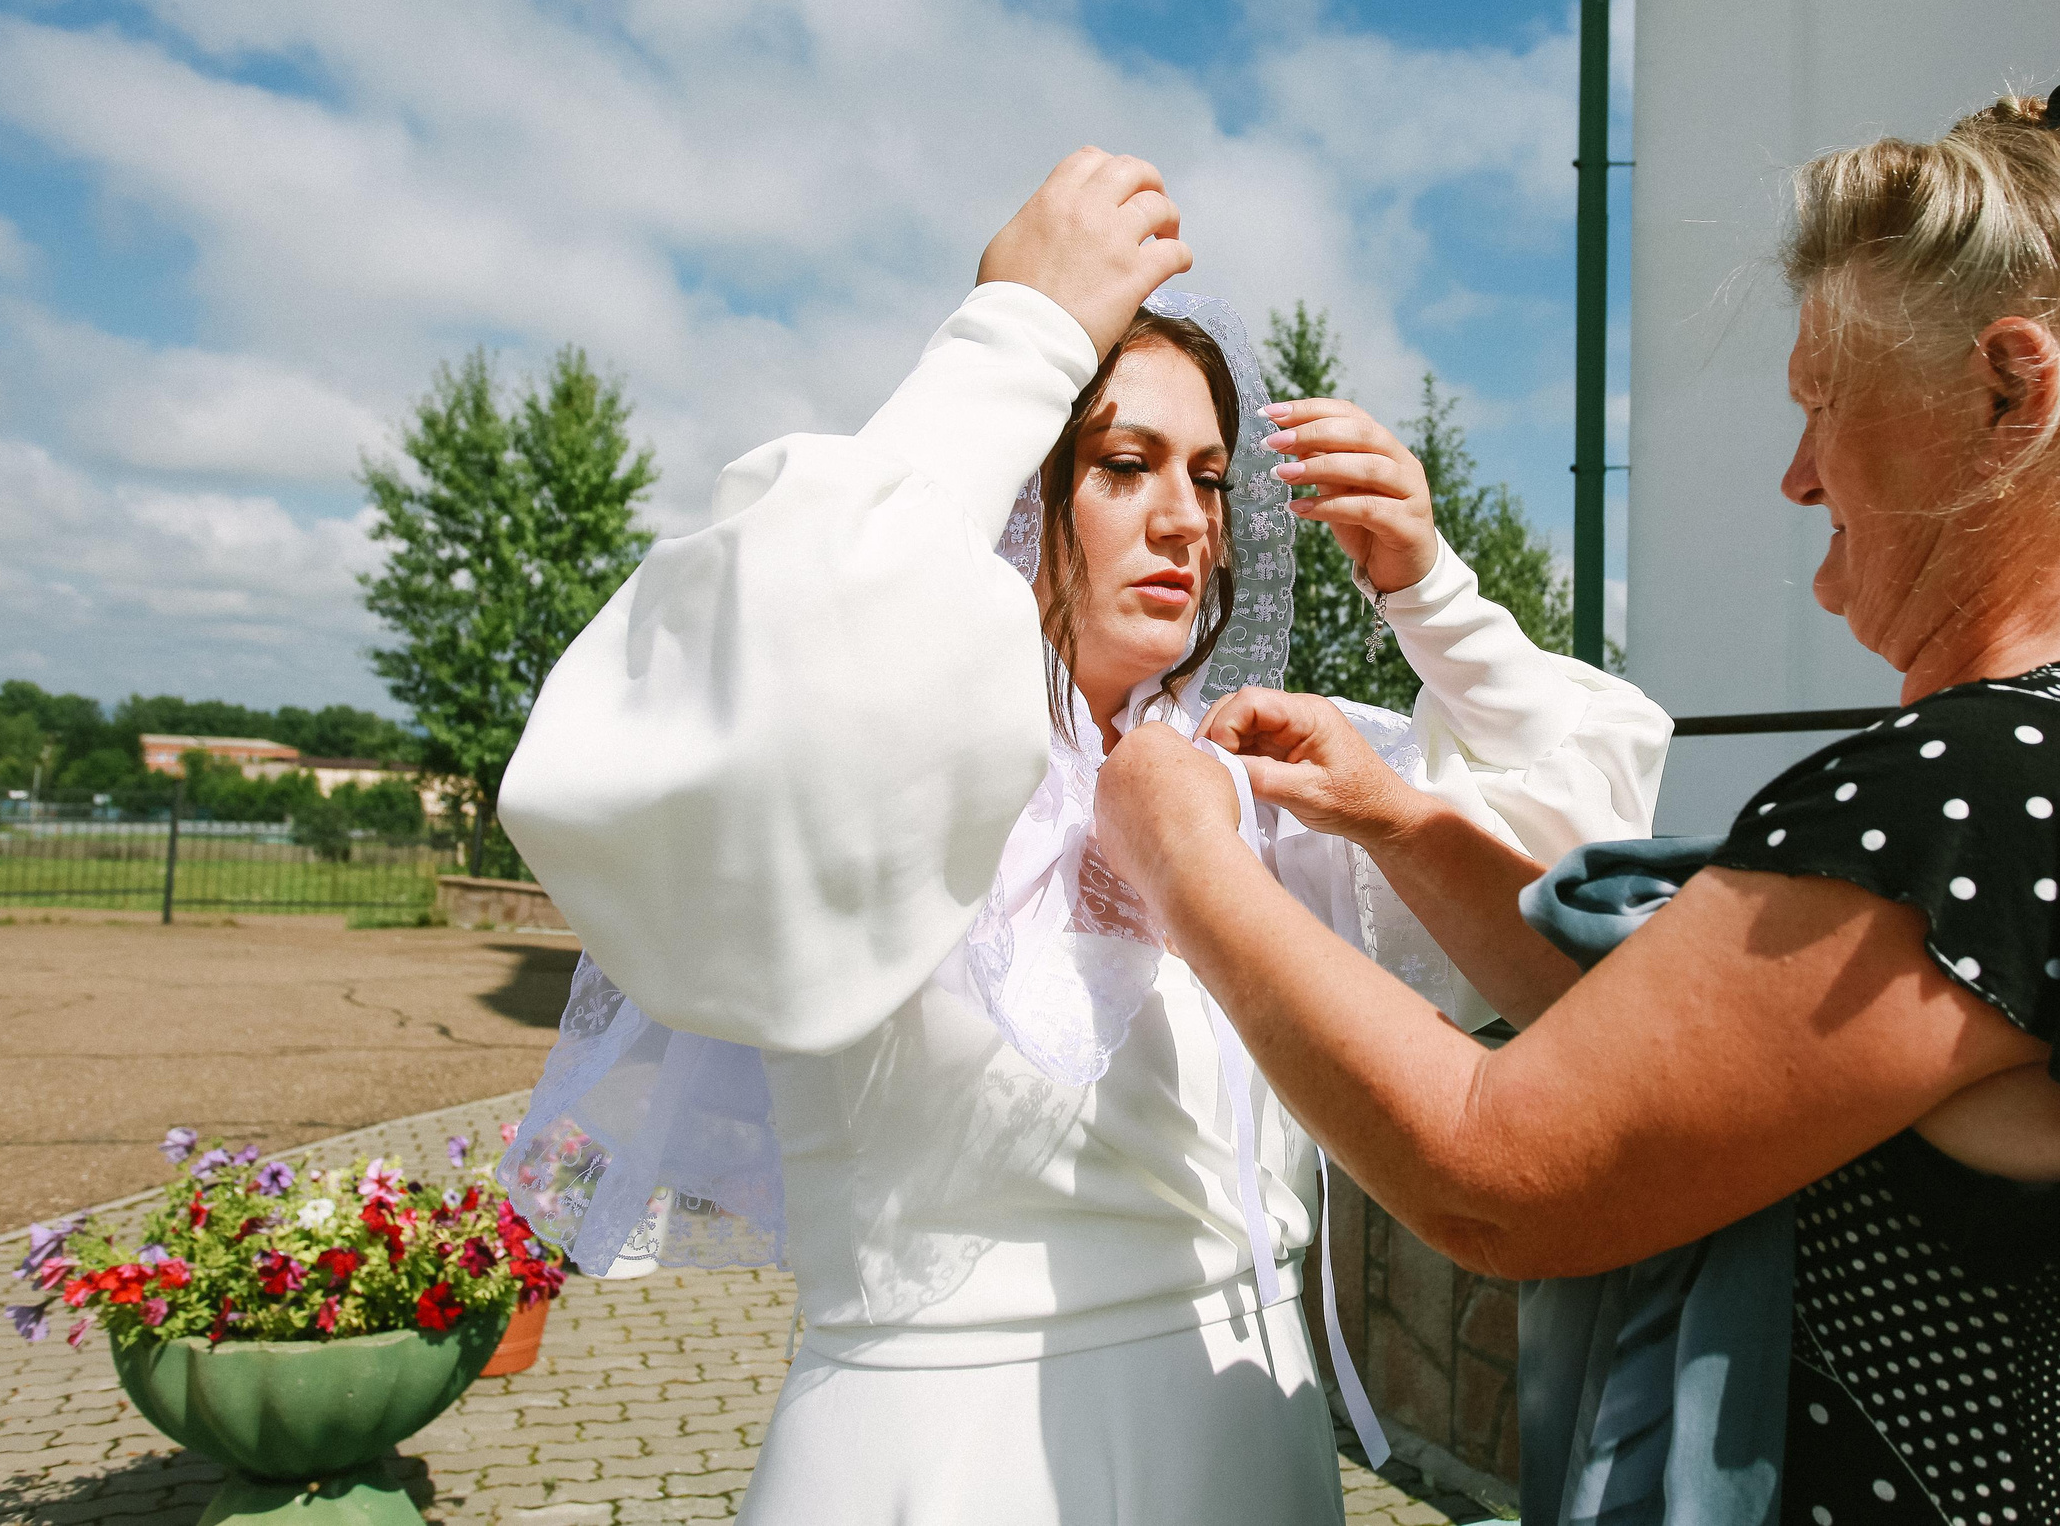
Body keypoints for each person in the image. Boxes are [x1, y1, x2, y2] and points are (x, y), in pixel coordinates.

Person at [1094, 35, 2060, 1526]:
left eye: (1824, 399)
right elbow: (1678, 1055)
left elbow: (1502, 1169)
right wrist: (1400, 818)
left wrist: (1186, 857)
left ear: (2014, 395)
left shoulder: (1994, 799)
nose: (1800, 476)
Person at [490, 148, 1672, 1525]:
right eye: (1123, 465)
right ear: (1014, 494)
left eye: (1214, 477)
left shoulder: (1264, 779)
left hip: (1250, 1439)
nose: (1187, 519)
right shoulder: (887, 766)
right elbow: (733, 697)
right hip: (941, 1463)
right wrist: (1013, 340)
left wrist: (1437, 597)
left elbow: (1575, 896)